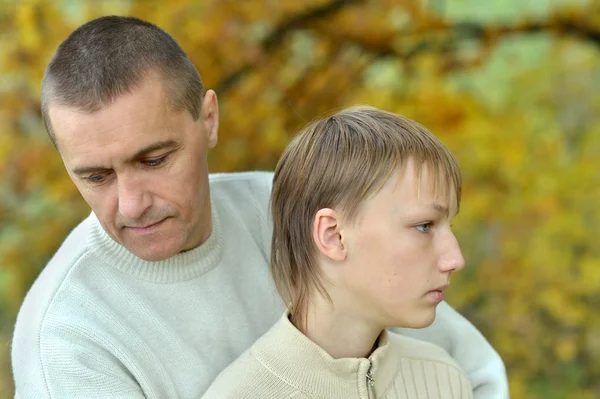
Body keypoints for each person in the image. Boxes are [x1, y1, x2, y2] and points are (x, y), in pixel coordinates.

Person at [11, 15, 508, 399]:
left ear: (208, 119)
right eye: (95, 177)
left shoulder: (284, 208)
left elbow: (470, 370)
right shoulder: (66, 339)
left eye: (155, 159)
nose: (132, 203)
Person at [202, 106, 474, 399]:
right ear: (333, 235)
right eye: (424, 226)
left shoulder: (445, 380)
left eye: (449, 225)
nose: (455, 259)